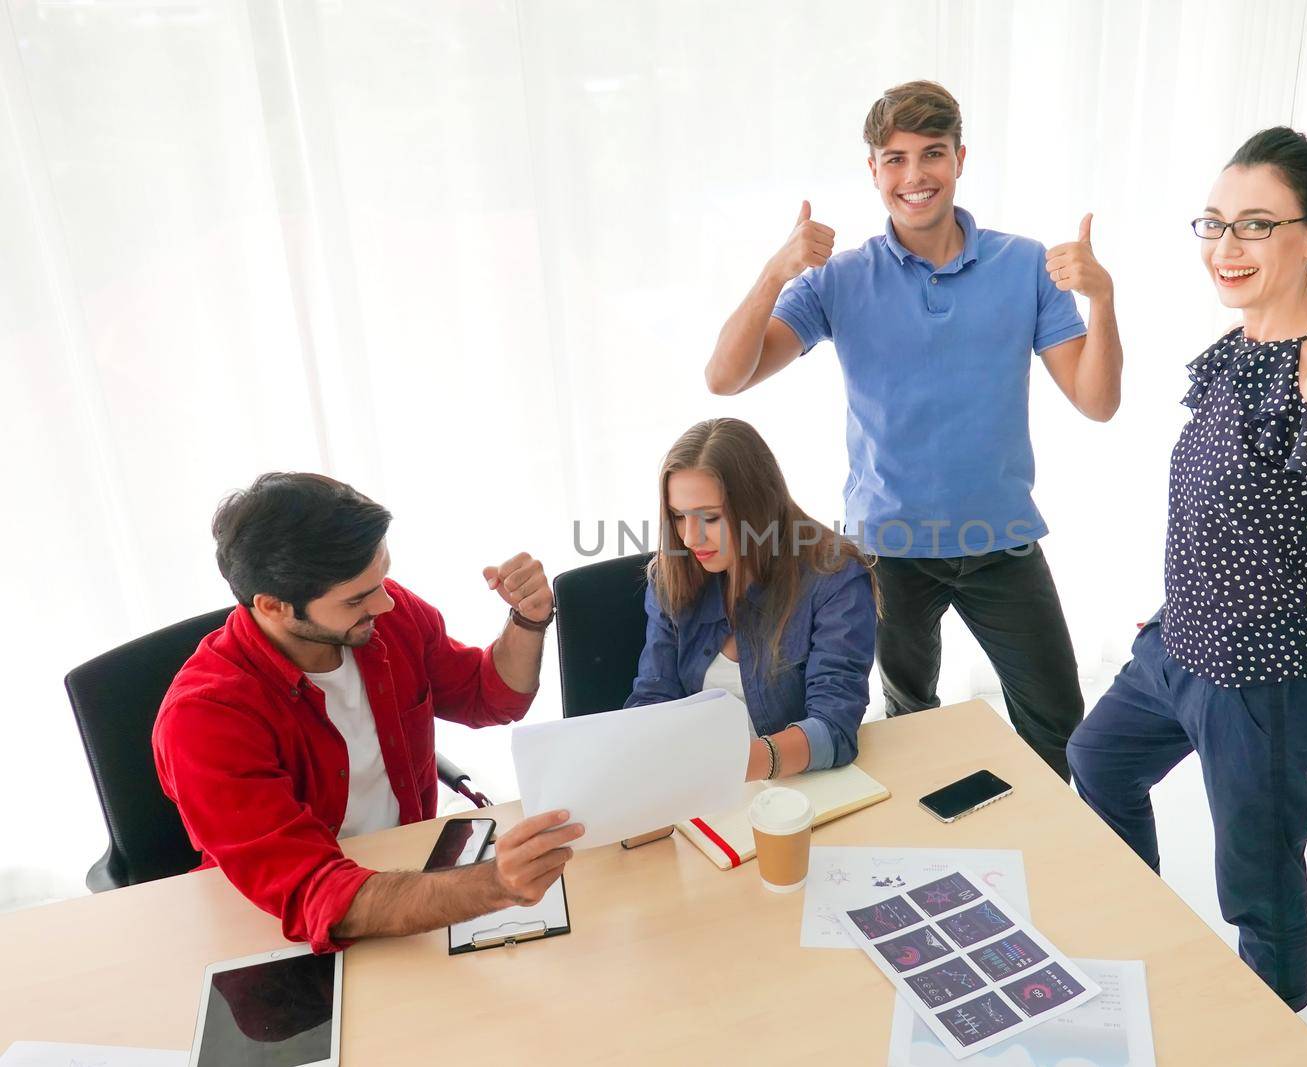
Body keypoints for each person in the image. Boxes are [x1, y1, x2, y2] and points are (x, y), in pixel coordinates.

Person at [1066, 127, 1307, 1009]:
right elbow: (1219, 511)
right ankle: (1144, 941)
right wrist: (1180, 607)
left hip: (1263, 679)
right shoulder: (1237, 351)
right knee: (1097, 758)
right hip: (1178, 645)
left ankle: (1266, 1034)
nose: (1226, 248)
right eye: (1212, 224)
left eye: (1253, 225)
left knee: (1257, 890)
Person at [705, 80, 1123, 782]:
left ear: (960, 158)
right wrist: (777, 269)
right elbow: (726, 377)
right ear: (874, 171)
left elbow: (1098, 401)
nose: (914, 175)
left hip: (1001, 542)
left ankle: (1051, 859)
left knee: (1058, 721)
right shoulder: (838, 280)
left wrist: (1102, 297)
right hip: (888, 548)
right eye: (894, 159)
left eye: (930, 154)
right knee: (911, 720)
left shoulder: (1025, 266)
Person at [153, 473, 582, 953]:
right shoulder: (205, 718)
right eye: (357, 598)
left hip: (409, 875)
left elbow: (490, 697)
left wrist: (528, 616)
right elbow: (317, 893)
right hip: (281, 931)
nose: (386, 602)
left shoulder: (388, 616)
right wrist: (493, 885)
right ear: (273, 606)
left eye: (380, 578)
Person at [625, 418, 877, 780]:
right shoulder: (672, 574)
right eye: (679, 517)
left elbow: (833, 729)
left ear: (757, 508)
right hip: (698, 791)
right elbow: (654, 696)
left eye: (710, 517)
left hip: (795, 791)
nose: (691, 537)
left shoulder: (835, 578)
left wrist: (725, 766)